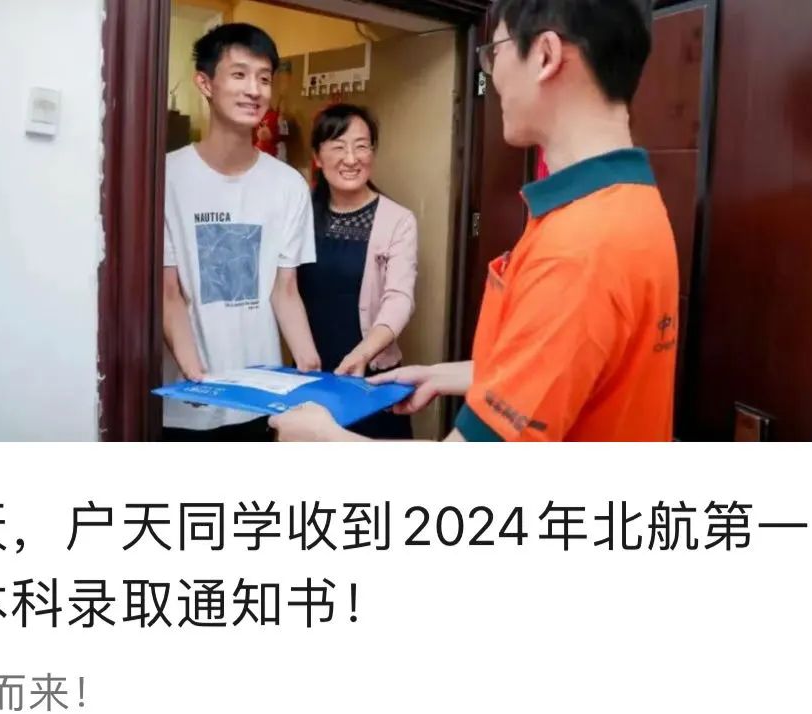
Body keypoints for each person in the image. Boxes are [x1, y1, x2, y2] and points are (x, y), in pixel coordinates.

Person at [271, 0, 679, 442]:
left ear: (545, 55)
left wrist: (323, 439)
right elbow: (567, 359)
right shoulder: (630, 202)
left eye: (495, 51)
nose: (492, 73)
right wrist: (446, 374)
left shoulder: (579, 246)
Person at [162, 23, 320, 441]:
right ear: (205, 83)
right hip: (188, 403)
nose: (254, 90)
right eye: (239, 74)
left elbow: (285, 290)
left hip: (262, 397)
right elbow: (168, 293)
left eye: (264, 78)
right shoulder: (165, 177)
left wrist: (308, 363)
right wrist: (195, 373)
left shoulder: (288, 185)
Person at [297, 104, 417, 439]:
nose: (351, 159)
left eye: (361, 146)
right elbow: (282, 288)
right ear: (317, 157)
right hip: (311, 371)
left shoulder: (398, 221)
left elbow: (399, 299)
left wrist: (362, 355)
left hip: (371, 377)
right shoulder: (301, 215)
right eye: (338, 147)